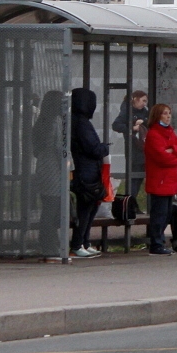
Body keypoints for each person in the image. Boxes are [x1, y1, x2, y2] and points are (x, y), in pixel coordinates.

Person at [143, 103, 177, 255]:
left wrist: (173, 151)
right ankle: (155, 244)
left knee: (167, 214)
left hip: (169, 182)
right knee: (159, 214)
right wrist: (176, 157)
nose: (168, 116)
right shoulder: (154, 134)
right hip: (160, 181)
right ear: (157, 116)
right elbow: (162, 157)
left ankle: (159, 241)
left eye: (169, 113)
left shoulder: (170, 132)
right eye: (165, 113)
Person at [69, 88, 107, 259]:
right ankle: (78, 244)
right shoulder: (82, 123)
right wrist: (104, 148)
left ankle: (84, 242)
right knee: (85, 210)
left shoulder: (76, 121)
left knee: (90, 208)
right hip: (86, 172)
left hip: (85, 170)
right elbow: (93, 148)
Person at [30, 91, 67, 257]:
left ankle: (48, 243)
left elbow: (36, 148)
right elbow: (60, 148)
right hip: (55, 170)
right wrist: (67, 166)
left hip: (43, 167)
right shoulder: (56, 121)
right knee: (53, 210)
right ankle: (50, 246)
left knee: (48, 207)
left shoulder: (41, 121)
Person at [112, 90, 149, 199]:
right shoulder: (127, 111)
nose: (144, 104)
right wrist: (132, 128)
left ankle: (133, 202)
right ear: (135, 99)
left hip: (143, 148)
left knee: (139, 177)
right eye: (143, 101)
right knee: (134, 178)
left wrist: (143, 123)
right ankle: (131, 201)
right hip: (133, 149)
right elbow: (116, 125)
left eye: (146, 101)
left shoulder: (144, 111)